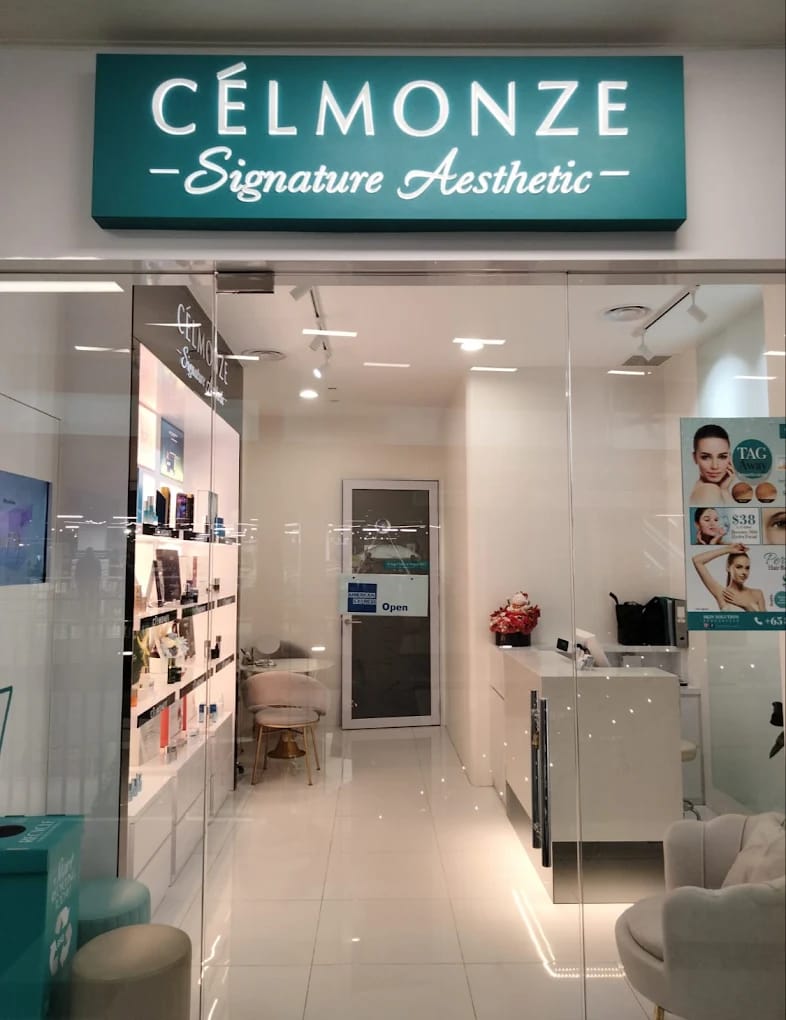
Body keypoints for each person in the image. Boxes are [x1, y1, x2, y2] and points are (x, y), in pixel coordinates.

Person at [692, 543, 765, 612]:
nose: (744, 572)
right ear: (728, 567)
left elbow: (765, 620)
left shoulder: (757, 594)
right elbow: (697, 560)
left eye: (747, 568)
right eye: (739, 567)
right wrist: (728, 549)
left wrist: (747, 606)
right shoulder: (723, 594)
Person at [689, 423, 735, 506]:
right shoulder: (709, 491)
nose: (715, 466)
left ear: (729, 457)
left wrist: (724, 490)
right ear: (695, 458)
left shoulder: (708, 489)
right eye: (706, 457)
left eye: (722, 457)